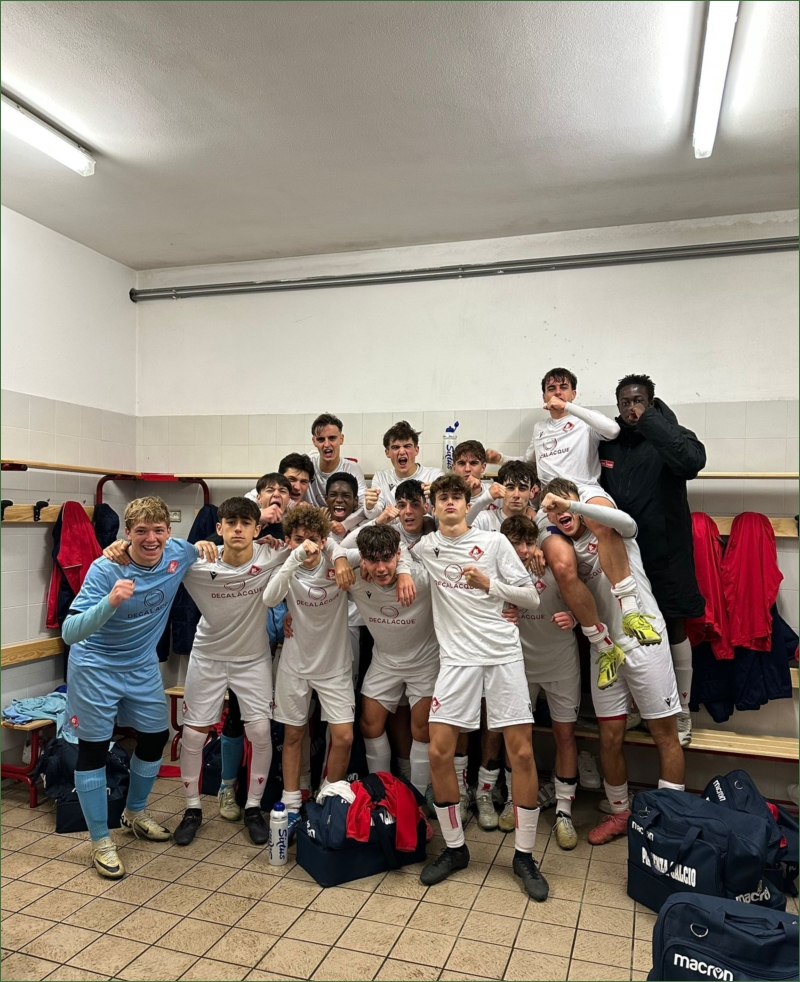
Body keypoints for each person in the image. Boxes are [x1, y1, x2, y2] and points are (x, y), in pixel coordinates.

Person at [106, 497, 288, 848]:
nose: (238, 529)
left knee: (260, 731)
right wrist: (118, 547)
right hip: (207, 657)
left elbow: (310, 550)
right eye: (230, 523)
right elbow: (150, 551)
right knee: (192, 735)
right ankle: (192, 810)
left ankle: (253, 808)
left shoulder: (271, 554)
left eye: (245, 524)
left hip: (252, 659)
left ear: (257, 530)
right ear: (219, 528)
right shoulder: (197, 560)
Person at [61, 496, 217, 879]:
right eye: (141, 531)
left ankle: (134, 813)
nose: (151, 539)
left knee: (155, 737)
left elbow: (215, 545)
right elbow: (69, 632)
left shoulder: (178, 553)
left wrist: (211, 542)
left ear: (169, 532)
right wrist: (109, 602)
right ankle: (101, 841)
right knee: (94, 749)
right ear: (127, 533)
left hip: (141, 665)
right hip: (95, 666)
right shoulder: (105, 568)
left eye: (158, 530)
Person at [413, 474, 549, 901]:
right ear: (434, 506)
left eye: (457, 496)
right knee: (439, 751)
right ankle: (455, 849)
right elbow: (386, 554)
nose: (450, 503)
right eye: (443, 498)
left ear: (466, 502)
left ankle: (524, 856)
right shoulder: (426, 547)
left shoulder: (493, 542)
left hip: (502, 654)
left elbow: (531, 598)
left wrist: (490, 585)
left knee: (521, 753)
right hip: (457, 660)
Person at [489, 367, 657, 690]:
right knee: (562, 566)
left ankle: (630, 610)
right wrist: (500, 459)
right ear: (542, 395)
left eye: (563, 387)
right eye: (550, 388)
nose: (556, 392)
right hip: (550, 502)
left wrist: (568, 408)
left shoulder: (583, 420)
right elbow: (529, 461)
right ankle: (602, 643)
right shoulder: (540, 428)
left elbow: (613, 431)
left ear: (573, 393)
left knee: (604, 523)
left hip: (583, 491)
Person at [540, 480, 685, 845]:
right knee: (609, 737)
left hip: (644, 639)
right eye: (554, 510)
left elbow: (625, 521)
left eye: (566, 505)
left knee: (664, 734)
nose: (561, 513)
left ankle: (671, 821)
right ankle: (620, 812)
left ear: (578, 503)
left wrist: (573, 505)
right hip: (604, 649)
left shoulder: (611, 531)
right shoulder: (566, 552)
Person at [260, 505, 411, 836]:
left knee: (343, 736)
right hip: (295, 664)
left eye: (313, 539)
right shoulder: (288, 563)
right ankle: (292, 803)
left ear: (324, 540)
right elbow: (270, 599)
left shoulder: (338, 559)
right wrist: (294, 557)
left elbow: (383, 555)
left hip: (335, 665)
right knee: (294, 734)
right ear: (289, 541)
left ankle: (329, 796)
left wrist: (400, 572)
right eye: (298, 539)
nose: (306, 545)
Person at [599, 374, 707, 746]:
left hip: (667, 550)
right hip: (623, 552)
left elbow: (692, 463)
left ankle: (682, 711)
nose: (632, 408)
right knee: (626, 625)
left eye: (639, 401)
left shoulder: (672, 435)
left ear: (652, 402)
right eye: (626, 402)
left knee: (674, 625)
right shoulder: (610, 441)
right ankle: (637, 705)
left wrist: (653, 422)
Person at [499, 516, 581, 850]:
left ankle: (563, 810)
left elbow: (585, 601)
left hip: (560, 661)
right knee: (518, 737)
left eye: (527, 542)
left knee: (565, 735)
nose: (522, 550)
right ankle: (512, 799)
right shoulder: (497, 571)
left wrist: (574, 617)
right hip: (519, 664)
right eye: (514, 543)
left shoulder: (551, 565)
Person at [343, 524, 438, 799]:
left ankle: (416, 798)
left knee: (422, 729)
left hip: (425, 661)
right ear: (362, 558)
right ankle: (382, 795)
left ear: (398, 554)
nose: (381, 568)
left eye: (387, 558)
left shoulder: (422, 577)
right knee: (369, 724)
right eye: (373, 560)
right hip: (385, 661)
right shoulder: (356, 579)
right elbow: (326, 550)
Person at [364, 420, 443, 519]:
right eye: (395, 447)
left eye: (407, 446)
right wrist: (370, 506)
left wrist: (438, 496)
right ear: (387, 452)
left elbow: (443, 515)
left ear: (416, 450)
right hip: (391, 528)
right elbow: (374, 515)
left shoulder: (434, 475)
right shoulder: (381, 477)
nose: (401, 452)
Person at [306, 412, 366, 517]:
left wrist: (345, 524)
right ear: (314, 441)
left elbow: (363, 505)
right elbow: (284, 490)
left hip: (342, 523)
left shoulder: (352, 468)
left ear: (341, 439)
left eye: (332, 438)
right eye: (321, 439)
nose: (326, 444)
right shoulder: (306, 466)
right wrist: (296, 505)